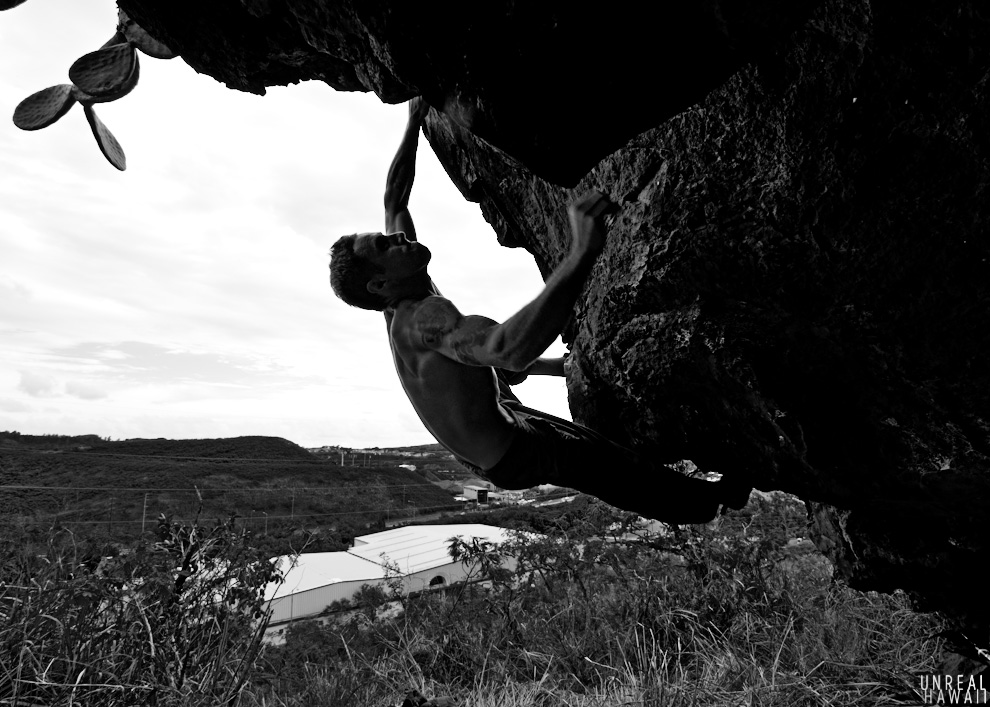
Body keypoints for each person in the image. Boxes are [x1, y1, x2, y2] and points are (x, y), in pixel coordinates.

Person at [329, 98, 750, 524]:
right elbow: (505, 350)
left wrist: (413, 121)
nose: (396, 236)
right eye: (384, 245)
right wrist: (581, 252)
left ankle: (564, 372)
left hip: (490, 423)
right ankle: (710, 503)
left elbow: (394, 197)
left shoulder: (400, 295)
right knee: (602, 465)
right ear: (379, 283)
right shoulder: (422, 318)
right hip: (510, 450)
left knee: (574, 430)